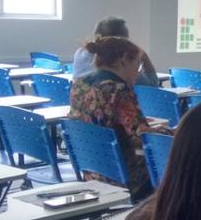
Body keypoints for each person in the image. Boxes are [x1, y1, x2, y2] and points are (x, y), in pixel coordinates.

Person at [69, 37, 168, 202]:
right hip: (124, 174)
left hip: (93, 169)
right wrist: (176, 132)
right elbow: (142, 136)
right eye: (138, 64)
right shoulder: (117, 89)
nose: (138, 71)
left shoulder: (79, 84)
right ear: (124, 60)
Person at [73, 17, 160, 87]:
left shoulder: (80, 53)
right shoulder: (119, 62)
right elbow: (152, 85)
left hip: (81, 102)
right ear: (120, 43)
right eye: (127, 41)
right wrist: (143, 55)